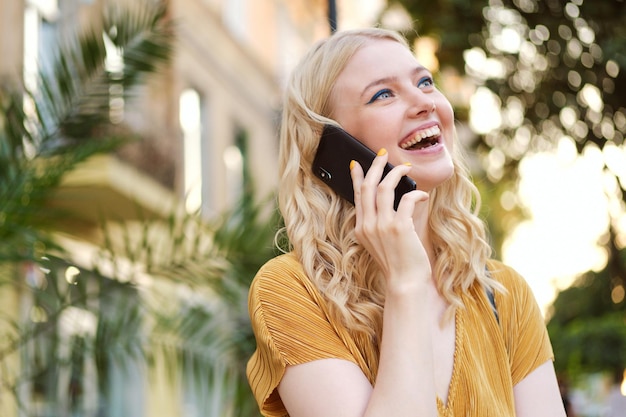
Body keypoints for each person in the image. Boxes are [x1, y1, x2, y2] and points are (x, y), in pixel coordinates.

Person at [246, 27, 567, 417]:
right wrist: (406, 281)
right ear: (331, 147)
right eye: (383, 94)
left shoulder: (505, 296)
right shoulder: (291, 290)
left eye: (425, 82)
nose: (424, 102)